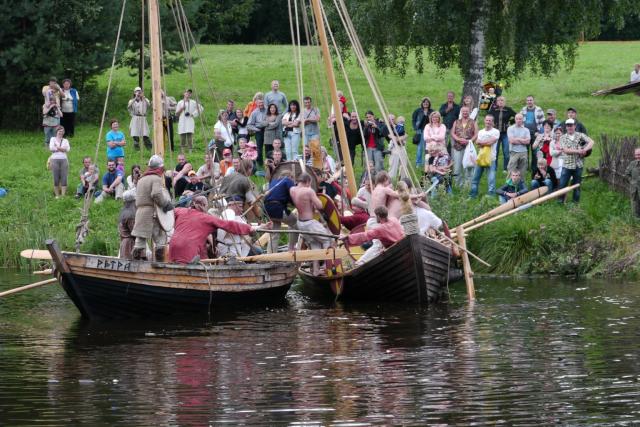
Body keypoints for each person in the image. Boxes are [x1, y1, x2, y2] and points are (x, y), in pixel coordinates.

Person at [169, 196, 255, 263]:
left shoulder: (180, 211)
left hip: (173, 246)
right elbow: (228, 225)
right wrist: (249, 229)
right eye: (206, 206)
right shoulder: (207, 218)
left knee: (200, 258)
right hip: (189, 248)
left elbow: (169, 211)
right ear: (203, 205)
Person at [131, 155, 173, 261]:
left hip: (140, 212)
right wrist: (165, 204)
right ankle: (159, 265)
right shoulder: (156, 178)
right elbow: (156, 194)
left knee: (140, 240)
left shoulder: (141, 179)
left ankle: (135, 263)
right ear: (159, 168)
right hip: (152, 213)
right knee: (160, 238)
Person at [290, 172, 332, 274]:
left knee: (315, 245)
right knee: (328, 239)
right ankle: (327, 266)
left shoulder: (292, 190)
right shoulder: (309, 191)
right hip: (309, 223)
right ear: (308, 181)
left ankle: (316, 271)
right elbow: (320, 206)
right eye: (310, 183)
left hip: (300, 223)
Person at [558, 118, 594, 203]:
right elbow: (566, 150)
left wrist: (584, 149)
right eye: (568, 125)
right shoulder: (562, 137)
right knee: (562, 184)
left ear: (575, 126)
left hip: (578, 165)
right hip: (567, 165)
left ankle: (575, 202)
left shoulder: (580, 135)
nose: (570, 127)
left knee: (577, 185)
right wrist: (578, 151)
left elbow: (592, 142)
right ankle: (560, 201)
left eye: (571, 125)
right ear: (566, 127)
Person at [264, 170, 296, 252]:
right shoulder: (288, 180)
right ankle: (291, 248)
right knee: (294, 222)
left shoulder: (274, 182)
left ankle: (270, 254)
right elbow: (293, 194)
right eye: (292, 178)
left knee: (275, 231)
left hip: (268, 209)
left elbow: (278, 195)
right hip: (277, 208)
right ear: (289, 176)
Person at [470, 115, 500, 197]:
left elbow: (491, 143)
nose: (488, 122)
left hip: (491, 158)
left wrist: (481, 142)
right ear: (484, 121)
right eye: (487, 120)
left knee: (491, 179)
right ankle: (473, 195)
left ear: (492, 122)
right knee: (475, 178)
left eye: (490, 120)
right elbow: (478, 144)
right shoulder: (481, 132)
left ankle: (491, 195)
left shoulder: (496, 131)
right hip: (480, 157)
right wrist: (485, 142)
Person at [450, 106, 478, 188]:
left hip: (468, 148)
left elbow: (476, 133)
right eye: (463, 111)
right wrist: (458, 139)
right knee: (457, 167)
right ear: (461, 112)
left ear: (469, 112)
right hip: (457, 147)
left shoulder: (473, 122)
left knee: (468, 166)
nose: (465, 113)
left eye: (466, 111)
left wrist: (469, 141)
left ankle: (468, 185)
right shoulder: (456, 121)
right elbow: (452, 133)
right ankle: (458, 185)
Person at [489, 96, 516, 173]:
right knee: (495, 152)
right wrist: (492, 124)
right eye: (499, 100)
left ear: (505, 101)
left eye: (502, 100)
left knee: (506, 152)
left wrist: (510, 123)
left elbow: (516, 116)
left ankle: (506, 168)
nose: (500, 102)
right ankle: (494, 168)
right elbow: (488, 118)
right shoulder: (493, 110)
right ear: (496, 102)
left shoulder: (508, 109)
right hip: (495, 134)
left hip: (505, 134)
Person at [175, 89, 203, 154]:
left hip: (189, 120)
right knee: (182, 136)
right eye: (186, 92)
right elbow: (176, 114)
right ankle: (182, 152)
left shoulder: (193, 102)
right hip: (182, 120)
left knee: (190, 136)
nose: (188, 94)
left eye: (189, 93)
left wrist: (193, 114)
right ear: (184, 93)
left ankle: (190, 151)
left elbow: (201, 108)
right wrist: (181, 109)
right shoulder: (180, 102)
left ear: (190, 95)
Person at [412, 97, 434, 169]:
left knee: (427, 148)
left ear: (429, 104)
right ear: (422, 103)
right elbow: (413, 119)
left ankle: (426, 162)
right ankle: (418, 163)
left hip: (429, 132)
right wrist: (415, 127)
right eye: (424, 102)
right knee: (420, 148)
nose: (425, 104)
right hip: (420, 131)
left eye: (427, 102)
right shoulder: (418, 111)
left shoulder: (431, 111)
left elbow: (435, 120)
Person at [507, 113, 531, 178]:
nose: (518, 120)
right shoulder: (510, 128)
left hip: (524, 152)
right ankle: (509, 186)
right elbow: (512, 141)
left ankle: (520, 186)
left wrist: (517, 139)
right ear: (515, 119)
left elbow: (528, 141)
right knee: (511, 170)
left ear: (523, 120)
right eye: (517, 119)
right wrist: (523, 140)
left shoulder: (526, 130)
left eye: (520, 119)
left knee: (522, 171)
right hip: (514, 151)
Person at [48, 126, 70, 198]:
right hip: (54, 160)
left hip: (64, 160)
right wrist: (62, 149)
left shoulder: (65, 140)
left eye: (62, 131)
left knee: (64, 177)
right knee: (55, 177)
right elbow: (51, 148)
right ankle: (57, 195)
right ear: (56, 132)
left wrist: (57, 147)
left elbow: (68, 149)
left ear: (64, 132)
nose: (61, 132)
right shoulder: (53, 139)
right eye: (59, 131)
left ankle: (63, 195)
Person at [247, 97, 268, 166]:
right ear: (256, 103)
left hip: (267, 131)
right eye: (259, 103)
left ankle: (268, 163)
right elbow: (249, 125)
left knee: (268, 147)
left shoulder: (268, 110)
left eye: (262, 102)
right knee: (259, 148)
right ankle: (260, 164)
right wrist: (256, 129)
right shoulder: (254, 112)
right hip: (259, 131)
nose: (261, 104)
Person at [387, 114, 409, 180]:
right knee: (393, 166)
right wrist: (400, 138)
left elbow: (406, 135)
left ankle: (403, 180)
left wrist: (400, 138)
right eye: (390, 119)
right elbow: (391, 136)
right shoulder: (386, 127)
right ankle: (390, 181)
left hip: (402, 147)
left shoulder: (399, 126)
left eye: (393, 119)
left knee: (404, 165)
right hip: (394, 148)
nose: (392, 121)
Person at [118, 190, 137, 260]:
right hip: (129, 244)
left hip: (124, 242)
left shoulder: (124, 211)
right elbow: (134, 232)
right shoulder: (130, 215)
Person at [624, 147, 640, 217]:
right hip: (635, 190)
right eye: (636, 155)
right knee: (635, 205)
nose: (638, 156)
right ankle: (635, 222)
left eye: (639, 154)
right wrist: (632, 182)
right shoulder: (632, 164)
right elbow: (626, 174)